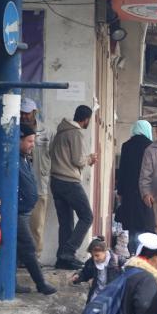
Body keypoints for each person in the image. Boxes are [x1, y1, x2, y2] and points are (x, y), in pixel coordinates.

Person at [50, 105, 97, 269]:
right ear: (86, 119)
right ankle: (69, 252)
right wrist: (89, 159)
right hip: (69, 181)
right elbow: (78, 160)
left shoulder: (60, 131)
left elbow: (51, 153)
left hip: (55, 180)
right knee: (87, 216)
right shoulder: (75, 133)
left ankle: (62, 259)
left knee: (66, 221)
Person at [16, 124, 57, 295]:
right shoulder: (13, 159)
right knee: (28, 246)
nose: (33, 144)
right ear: (18, 140)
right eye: (29, 141)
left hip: (25, 211)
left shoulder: (25, 157)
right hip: (17, 213)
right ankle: (41, 284)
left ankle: (13, 283)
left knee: (17, 249)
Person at [116, 121, 155, 254]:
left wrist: (120, 191)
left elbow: (122, 171)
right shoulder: (151, 146)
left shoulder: (126, 146)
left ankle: (133, 253)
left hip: (129, 193)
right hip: (146, 193)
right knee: (146, 225)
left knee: (133, 227)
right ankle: (143, 254)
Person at [20, 98, 53, 258]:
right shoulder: (14, 130)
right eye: (22, 113)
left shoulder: (46, 132)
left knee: (36, 226)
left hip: (39, 185)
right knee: (19, 226)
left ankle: (35, 257)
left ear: (34, 112)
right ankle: (19, 258)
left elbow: (53, 155)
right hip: (19, 186)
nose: (24, 116)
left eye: (27, 113)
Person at [72, 236, 125, 302]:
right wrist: (78, 276)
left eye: (97, 255)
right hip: (97, 294)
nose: (94, 258)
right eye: (92, 255)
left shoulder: (117, 260)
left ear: (105, 251)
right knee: (90, 311)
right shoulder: (91, 262)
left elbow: (127, 274)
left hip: (113, 295)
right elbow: (85, 273)